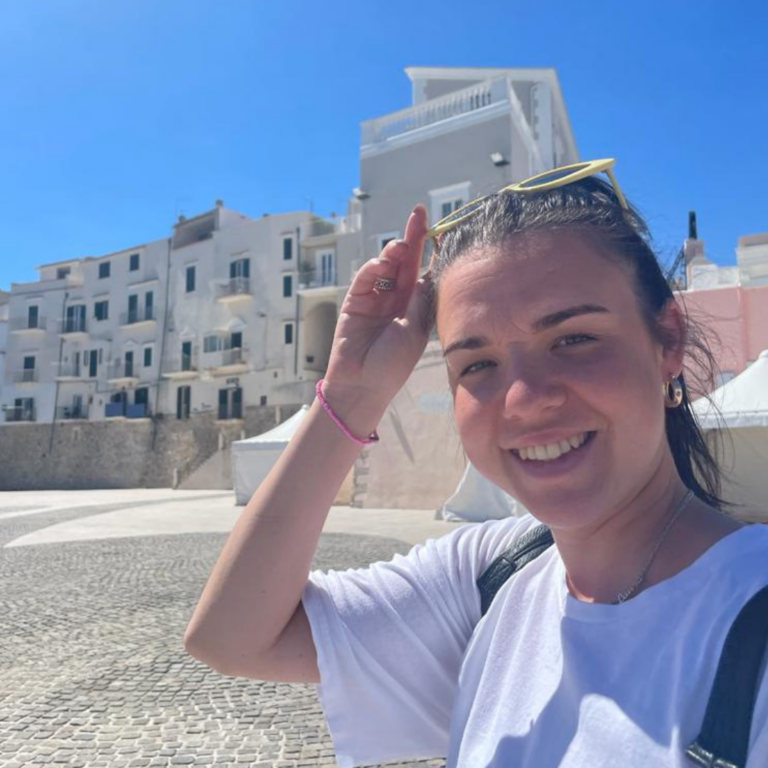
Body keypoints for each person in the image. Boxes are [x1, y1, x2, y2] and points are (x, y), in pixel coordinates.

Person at [183, 160, 768, 767]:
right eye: (477, 364)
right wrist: (352, 395)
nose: (524, 399)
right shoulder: (492, 577)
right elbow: (233, 637)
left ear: (667, 339)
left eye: (573, 339)